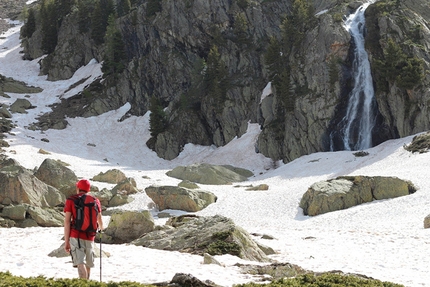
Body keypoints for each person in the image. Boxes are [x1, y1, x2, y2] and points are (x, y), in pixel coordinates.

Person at [64, 179, 103, 279]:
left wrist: (66, 241)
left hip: (76, 235)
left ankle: (82, 284)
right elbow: (100, 220)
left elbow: (67, 221)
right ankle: (87, 283)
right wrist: (101, 230)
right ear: (88, 189)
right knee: (88, 264)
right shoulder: (95, 200)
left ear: (78, 188)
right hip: (90, 236)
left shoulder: (71, 200)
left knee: (80, 263)